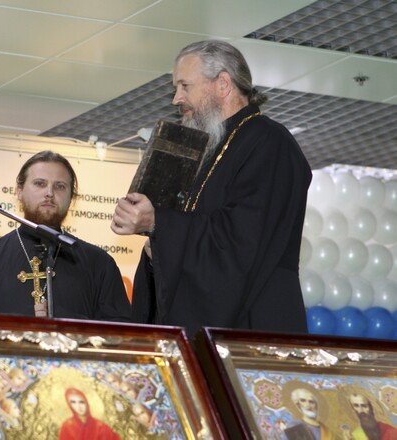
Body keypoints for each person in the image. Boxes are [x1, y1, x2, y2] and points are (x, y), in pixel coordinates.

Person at [111, 40, 311, 336]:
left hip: (253, 326)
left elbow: (243, 240)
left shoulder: (269, 142)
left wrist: (159, 223)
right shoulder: (205, 148)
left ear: (223, 84)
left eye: (185, 86)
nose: (176, 99)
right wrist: (157, 247)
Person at [0, 150, 131, 321]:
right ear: (19, 191)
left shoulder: (98, 264)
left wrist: (65, 321)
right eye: (40, 184)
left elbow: (120, 334)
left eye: (60, 186)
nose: (49, 193)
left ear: (71, 198)